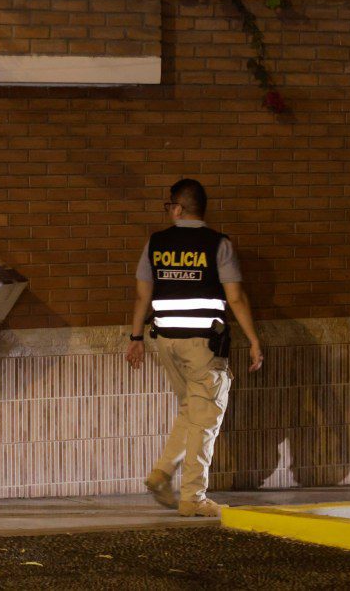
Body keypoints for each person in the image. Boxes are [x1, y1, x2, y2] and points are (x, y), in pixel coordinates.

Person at [125, 178, 264, 517]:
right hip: (203, 345)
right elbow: (236, 297)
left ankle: (161, 474)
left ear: (178, 207)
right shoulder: (218, 244)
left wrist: (136, 338)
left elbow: (143, 294)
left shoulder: (156, 243)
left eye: (168, 205)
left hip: (166, 341)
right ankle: (193, 497)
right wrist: (254, 339)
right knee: (206, 419)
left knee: (191, 410)